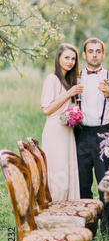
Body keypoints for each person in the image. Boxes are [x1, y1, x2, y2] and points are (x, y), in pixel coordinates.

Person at [74, 37, 109, 236]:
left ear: (103, 54)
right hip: (81, 133)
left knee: (105, 183)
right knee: (83, 183)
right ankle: (87, 228)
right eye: (90, 51)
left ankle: (108, 230)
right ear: (84, 55)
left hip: (104, 133)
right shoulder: (75, 77)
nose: (94, 54)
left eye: (98, 51)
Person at [41, 43, 82, 201]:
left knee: (68, 175)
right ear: (58, 58)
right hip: (55, 132)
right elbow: (46, 110)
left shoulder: (69, 80)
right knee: (59, 179)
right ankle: (55, 212)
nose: (70, 61)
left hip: (67, 132)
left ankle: (67, 214)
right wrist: (68, 94)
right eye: (66, 57)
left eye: (73, 59)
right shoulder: (52, 79)